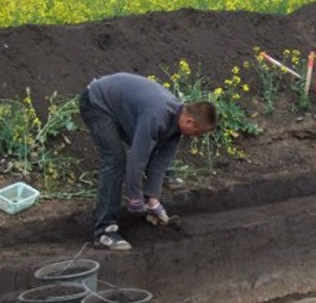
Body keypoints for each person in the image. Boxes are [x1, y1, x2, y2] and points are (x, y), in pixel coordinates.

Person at [79, 72, 217, 250]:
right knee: (115, 160)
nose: (196, 137)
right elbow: (136, 159)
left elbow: (160, 164)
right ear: (190, 122)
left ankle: (141, 203)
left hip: (122, 106)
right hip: (97, 102)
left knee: (152, 153)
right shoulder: (157, 115)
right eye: (198, 132)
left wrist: (153, 201)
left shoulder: (176, 126)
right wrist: (135, 196)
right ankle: (105, 231)